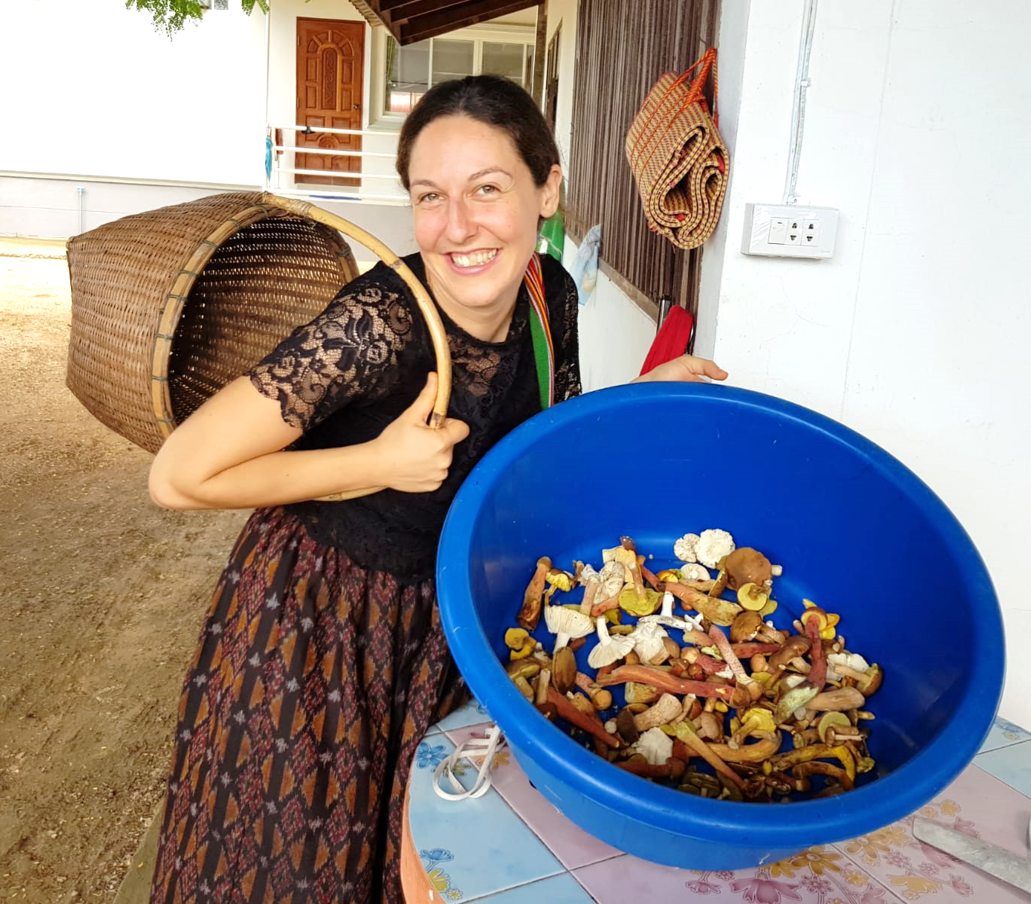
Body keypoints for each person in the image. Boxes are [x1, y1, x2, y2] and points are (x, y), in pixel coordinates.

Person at [147, 74, 728, 904]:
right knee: (298, 861)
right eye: (430, 196)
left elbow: (529, 434)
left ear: (546, 189)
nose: (458, 227)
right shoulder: (377, 323)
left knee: (419, 851)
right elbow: (177, 474)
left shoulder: (545, 290)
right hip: (317, 621)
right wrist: (374, 464)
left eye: (487, 189)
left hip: (444, 616)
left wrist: (639, 394)